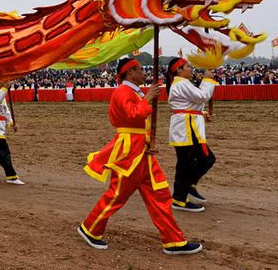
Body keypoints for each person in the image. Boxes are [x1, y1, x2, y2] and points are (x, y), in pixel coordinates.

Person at [78, 58, 202, 255]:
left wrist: (149, 144)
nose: (145, 73)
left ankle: (173, 241)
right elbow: (132, 114)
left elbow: (139, 122)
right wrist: (148, 98)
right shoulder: (122, 91)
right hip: (130, 153)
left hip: (141, 151)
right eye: (140, 69)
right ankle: (90, 229)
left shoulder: (133, 91)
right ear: (129, 72)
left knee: (160, 195)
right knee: (117, 195)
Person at [166, 58, 216, 213]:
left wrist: (203, 114)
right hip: (185, 128)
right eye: (188, 66)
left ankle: (189, 185)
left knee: (206, 159)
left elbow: (191, 104)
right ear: (178, 69)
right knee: (186, 164)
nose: (191, 68)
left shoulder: (184, 83)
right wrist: (207, 80)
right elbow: (202, 96)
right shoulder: (180, 83)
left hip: (190, 126)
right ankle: (179, 199)